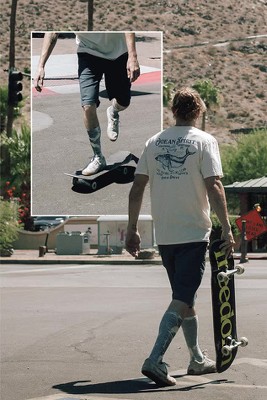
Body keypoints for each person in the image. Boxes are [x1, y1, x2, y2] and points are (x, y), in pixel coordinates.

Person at [125, 87, 235, 386]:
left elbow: (136, 189)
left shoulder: (153, 142)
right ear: (199, 111)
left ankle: (197, 359)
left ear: (173, 111)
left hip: (166, 235)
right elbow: (215, 186)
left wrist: (133, 229)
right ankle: (155, 360)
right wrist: (226, 226)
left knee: (184, 299)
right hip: (193, 233)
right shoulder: (205, 141)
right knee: (183, 297)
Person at [34, 32, 140, 175]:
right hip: (88, 53)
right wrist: (41, 66)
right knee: (87, 104)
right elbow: (52, 32)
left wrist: (133, 56)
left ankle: (113, 111)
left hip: (118, 53)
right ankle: (98, 157)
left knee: (124, 102)